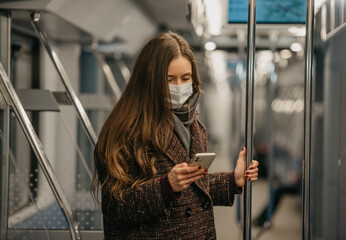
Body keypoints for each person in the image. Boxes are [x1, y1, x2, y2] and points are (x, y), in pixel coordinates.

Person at [91, 31, 259, 240]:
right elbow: (115, 208)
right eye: (169, 79)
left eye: (185, 78)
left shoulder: (194, 126)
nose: (179, 86)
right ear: (149, 80)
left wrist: (232, 181)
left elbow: (191, 188)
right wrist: (165, 187)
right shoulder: (124, 131)